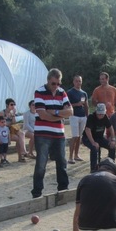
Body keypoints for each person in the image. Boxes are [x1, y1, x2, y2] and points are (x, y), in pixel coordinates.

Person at [31, 68, 73, 198]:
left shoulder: (62, 92)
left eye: (58, 83)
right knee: (41, 165)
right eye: (53, 83)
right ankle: (37, 193)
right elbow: (42, 114)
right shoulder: (39, 91)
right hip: (43, 134)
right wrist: (61, 115)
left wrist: (54, 112)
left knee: (62, 163)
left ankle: (63, 190)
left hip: (59, 133)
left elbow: (70, 111)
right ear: (48, 81)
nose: (56, 86)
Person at [81, 103, 116, 172]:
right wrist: (93, 142)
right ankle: (94, 169)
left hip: (99, 137)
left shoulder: (105, 117)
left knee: (112, 147)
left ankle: (110, 165)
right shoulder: (91, 117)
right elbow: (87, 130)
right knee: (94, 148)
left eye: (102, 114)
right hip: (88, 138)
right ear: (96, 112)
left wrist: (113, 140)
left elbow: (110, 127)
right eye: (99, 114)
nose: (100, 116)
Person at [67, 75, 89, 164]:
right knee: (75, 136)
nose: (78, 83)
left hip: (83, 116)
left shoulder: (84, 93)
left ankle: (76, 155)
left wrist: (87, 116)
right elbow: (67, 105)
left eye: (79, 81)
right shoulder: (70, 92)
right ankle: (70, 157)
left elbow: (86, 105)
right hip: (74, 115)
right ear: (73, 82)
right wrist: (77, 104)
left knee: (79, 136)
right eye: (76, 81)